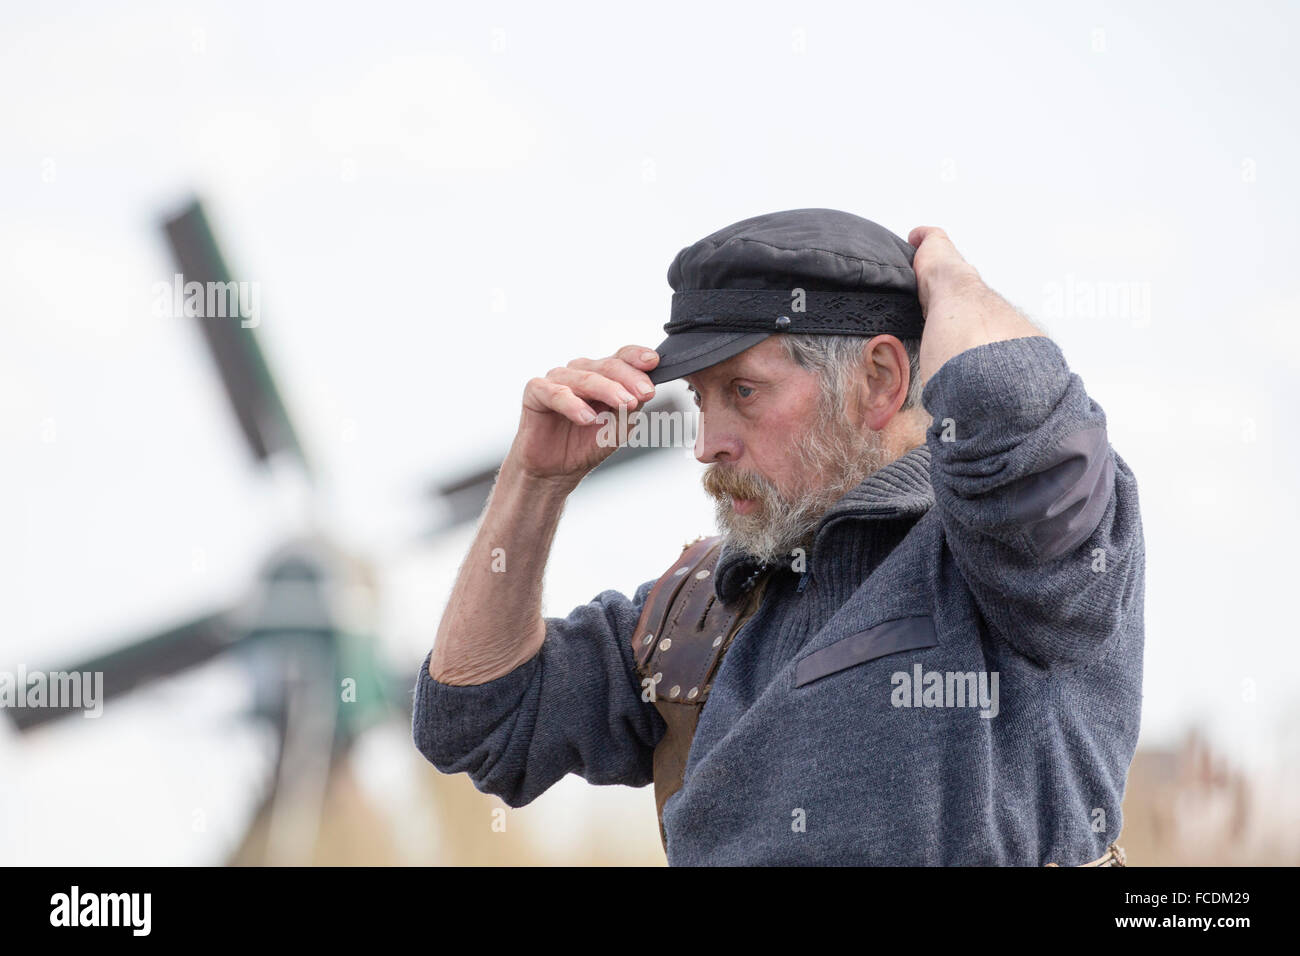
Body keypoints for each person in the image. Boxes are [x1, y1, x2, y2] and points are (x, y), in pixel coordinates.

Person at [411, 208, 1145, 865]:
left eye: (744, 392)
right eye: (700, 400)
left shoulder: (1022, 551)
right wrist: (533, 482)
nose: (706, 444)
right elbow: (476, 718)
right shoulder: (703, 607)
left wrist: (955, 286)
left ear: (881, 379)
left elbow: (1013, 413)